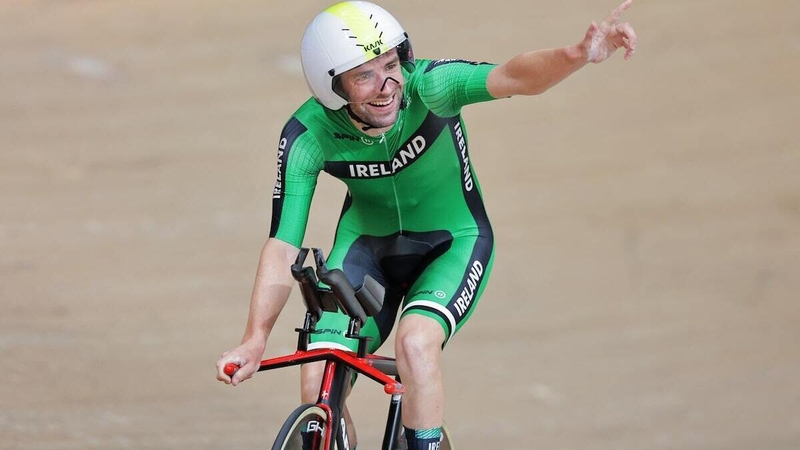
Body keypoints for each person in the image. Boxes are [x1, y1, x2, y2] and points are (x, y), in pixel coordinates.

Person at [216, 1, 637, 449]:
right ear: (331, 87)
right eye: (365, 75)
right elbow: (283, 245)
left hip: (452, 243)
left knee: (416, 345)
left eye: (392, 64)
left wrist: (577, 54)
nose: (388, 86)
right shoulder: (307, 136)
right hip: (368, 250)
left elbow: (514, 76)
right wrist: (254, 338)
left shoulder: (432, 87)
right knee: (320, 370)